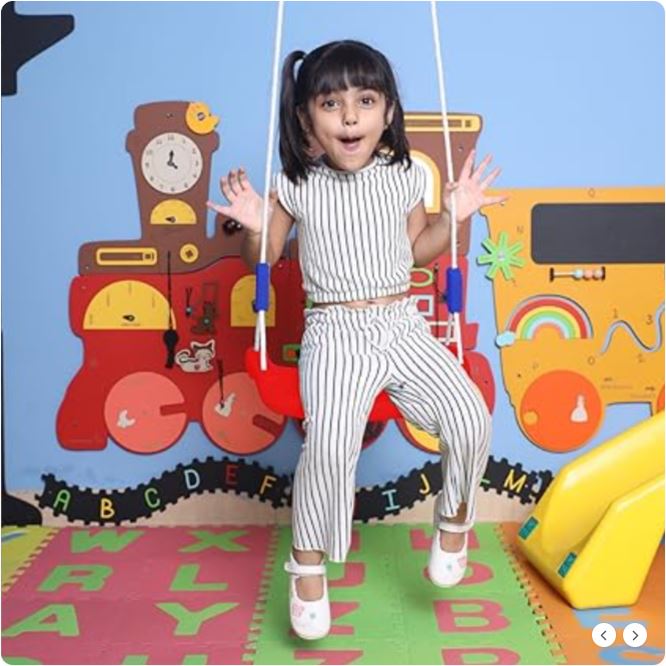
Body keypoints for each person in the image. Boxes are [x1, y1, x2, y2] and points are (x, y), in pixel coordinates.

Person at [207, 40, 507, 641]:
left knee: (470, 417)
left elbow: (419, 251)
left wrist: (456, 216)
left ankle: (454, 522)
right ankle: (308, 565)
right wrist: (257, 227)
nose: (350, 117)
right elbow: (264, 257)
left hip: (401, 322)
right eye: (331, 103)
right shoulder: (295, 185)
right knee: (329, 448)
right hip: (334, 331)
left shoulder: (403, 176)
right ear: (306, 119)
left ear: (388, 111)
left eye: (365, 101)